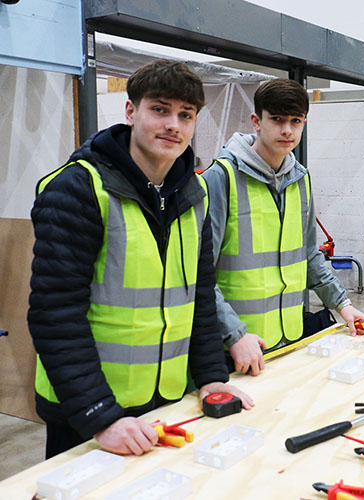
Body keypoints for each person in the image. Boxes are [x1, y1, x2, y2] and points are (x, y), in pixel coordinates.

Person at [28, 59, 253, 459]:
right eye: (160, 109)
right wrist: (101, 416)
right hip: (90, 415)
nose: (173, 125)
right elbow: (55, 314)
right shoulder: (79, 189)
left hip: (166, 399)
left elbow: (199, 297)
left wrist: (211, 379)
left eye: (186, 115)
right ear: (131, 112)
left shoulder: (193, 194)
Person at [202, 78, 364, 377]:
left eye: (296, 121)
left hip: (290, 341)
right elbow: (200, 274)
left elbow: (309, 256)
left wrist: (343, 305)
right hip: (238, 349)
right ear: (257, 121)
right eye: (276, 120)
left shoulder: (300, 179)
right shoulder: (221, 178)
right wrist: (234, 334)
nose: (287, 130)